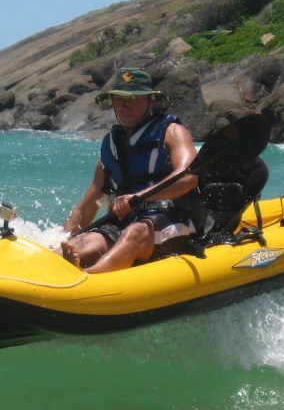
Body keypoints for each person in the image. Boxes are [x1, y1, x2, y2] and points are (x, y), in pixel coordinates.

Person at [61, 67, 199, 273]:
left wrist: (137, 197)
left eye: (134, 99)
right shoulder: (111, 146)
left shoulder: (172, 132)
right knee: (83, 243)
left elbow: (189, 177)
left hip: (173, 218)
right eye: (119, 100)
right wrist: (63, 239)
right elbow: (85, 207)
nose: (125, 106)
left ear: (150, 101)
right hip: (126, 221)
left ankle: (87, 278)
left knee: (134, 233)